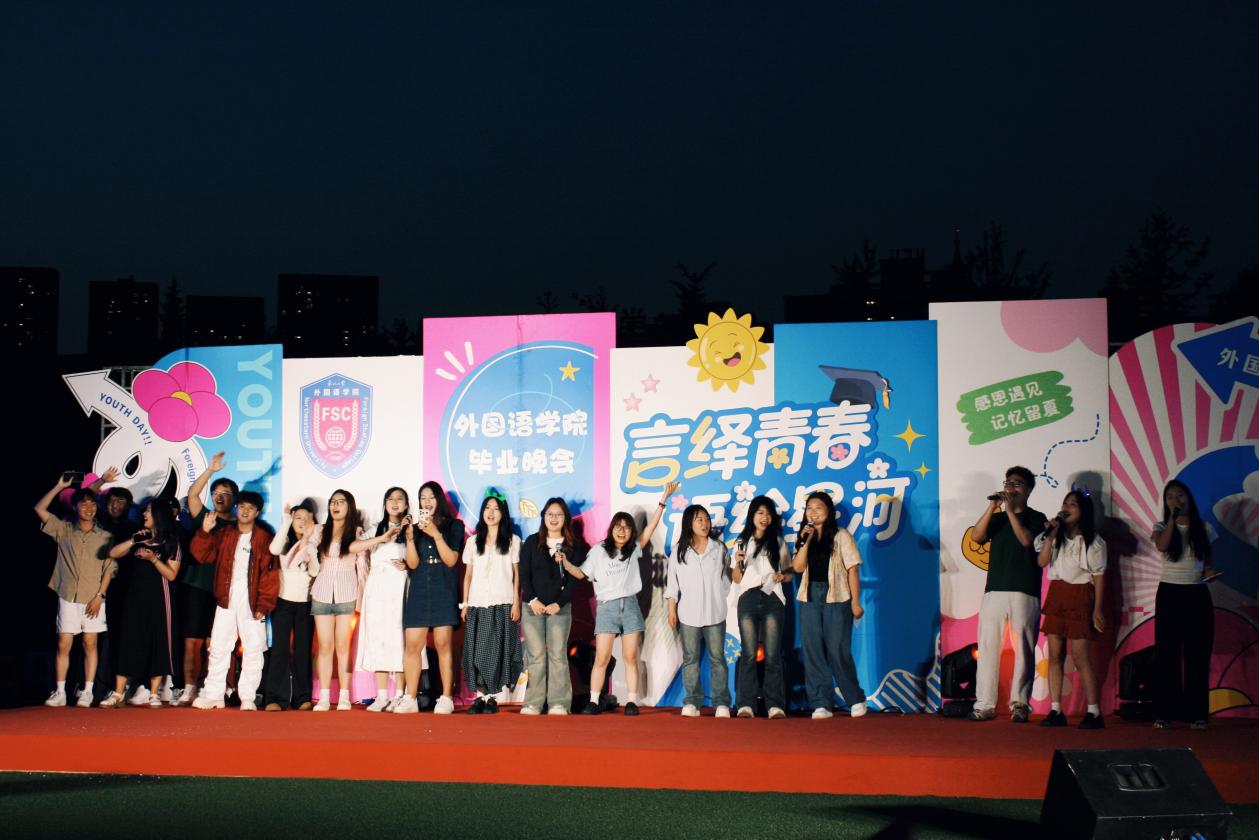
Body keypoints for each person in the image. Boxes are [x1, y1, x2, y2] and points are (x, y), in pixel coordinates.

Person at [570, 482, 677, 717]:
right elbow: (581, 573)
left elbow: (650, 529)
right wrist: (565, 563)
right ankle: (594, 700)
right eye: (618, 526)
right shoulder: (598, 551)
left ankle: (631, 701)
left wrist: (663, 500)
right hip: (607, 607)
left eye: (627, 527)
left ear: (631, 532)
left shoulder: (634, 549)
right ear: (611, 529)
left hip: (629, 605)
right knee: (601, 657)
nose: (622, 531)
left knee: (631, 657)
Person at [967, 466, 1047, 722]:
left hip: (1025, 590)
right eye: (1008, 482)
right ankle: (984, 704)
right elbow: (977, 537)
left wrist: (1010, 511)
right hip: (994, 590)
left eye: (1017, 483)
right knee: (988, 647)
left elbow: (1026, 541)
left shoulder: (1037, 517)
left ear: (1029, 490)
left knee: (1024, 647)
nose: (1010, 487)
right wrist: (993, 507)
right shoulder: (998, 517)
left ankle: (1020, 704)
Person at [189, 490, 279, 711]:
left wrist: (264, 604)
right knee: (218, 646)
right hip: (226, 598)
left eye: (251, 507)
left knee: (253, 647)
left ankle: (247, 696)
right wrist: (205, 532)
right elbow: (202, 555)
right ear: (236, 509)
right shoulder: (225, 534)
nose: (245, 511)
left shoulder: (263, 538)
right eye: (242, 506)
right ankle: (214, 695)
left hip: (252, 600)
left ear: (257, 512)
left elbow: (270, 575)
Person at [34, 476, 116, 708]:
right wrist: (60, 486)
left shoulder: (105, 536)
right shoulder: (64, 530)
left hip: (94, 597)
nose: (89, 508)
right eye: (84, 504)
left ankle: (87, 691)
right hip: (68, 594)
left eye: (92, 504)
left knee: (90, 643)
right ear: (75, 507)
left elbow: (109, 569)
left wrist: (100, 597)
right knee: (63, 643)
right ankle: (60, 692)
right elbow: (39, 509)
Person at [792, 491, 867, 720]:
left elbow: (853, 570)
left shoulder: (841, 535)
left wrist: (855, 602)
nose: (813, 512)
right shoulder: (804, 536)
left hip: (837, 595)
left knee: (837, 649)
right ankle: (821, 703)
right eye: (809, 508)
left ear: (828, 511)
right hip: (810, 597)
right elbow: (798, 567)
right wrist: (805, 541)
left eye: (818, 508)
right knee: (813, 650)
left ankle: (855, 698)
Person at [1036, 489, 1106, 729]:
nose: (1066, 508)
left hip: (1081, 595)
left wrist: (1097, 609)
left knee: (1080, 657)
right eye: (1065, 503)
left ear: (1083, 511)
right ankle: (1056, 709)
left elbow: (1099, 577)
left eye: (1073, 504)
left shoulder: (1093, 542)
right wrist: (1051, 534)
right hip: (1057, 595)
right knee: (1055, 655)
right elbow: (1041, 561)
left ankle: (1094, 712)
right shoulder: (1055, 535)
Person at [100, 500, 181, 708]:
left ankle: (154, 693)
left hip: (159, 599)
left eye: (149, 511)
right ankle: (118, 692)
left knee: (158, 642)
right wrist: (133, 540)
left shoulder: (171, 542)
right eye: (145, 511)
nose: (144, 514)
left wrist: (153, 559)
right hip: (134, 597)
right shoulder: (139, 537)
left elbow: (171, 575)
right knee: (128, 640)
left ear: (159, 515)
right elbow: (113, 553)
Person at [1151, 480, 1217, 730]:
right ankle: (1164, 713)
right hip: (1169, 593)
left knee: (1197, 655)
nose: (1175, 501)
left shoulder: (1205, 528)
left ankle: (1197, 714)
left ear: (1189, 498)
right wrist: (1172, 519)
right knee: (1167, 654)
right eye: (1170, 497)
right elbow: (1162, 545)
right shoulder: (1161, 527)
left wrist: (1209, 572)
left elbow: (1207, 562)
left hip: (1197, 593)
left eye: (1180, 496)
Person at [396, 481, 465, 715]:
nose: (427, 502)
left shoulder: (454, 526)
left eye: (431, 497)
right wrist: (409, 538)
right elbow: (413, 564)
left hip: (443, 586)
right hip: (419, 586)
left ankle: (446, 697)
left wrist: (435, 534)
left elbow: (451, 560)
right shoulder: (414, 528)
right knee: (412, 645)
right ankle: (410, 697)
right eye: (422, 498)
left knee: (443, 644)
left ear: (439, 500)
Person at [175, 452, 237, 706]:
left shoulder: (240, 525)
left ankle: (222, 687)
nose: (219, 496)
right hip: (197, 586)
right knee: (192, 640)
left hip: (225, 590)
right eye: (215, 492)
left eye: (225, 493)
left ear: (234, 499)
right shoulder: (206, 518)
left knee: (220, 643)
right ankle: (190, 688)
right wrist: (210, 470)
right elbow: (192, 495)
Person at [518, 497, 586, 715]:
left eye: (558, 514)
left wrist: (559, 603)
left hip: (560, 608)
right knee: (536, 655)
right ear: (543, 517)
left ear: (565, 518)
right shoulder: (531, 542)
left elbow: (574, 580)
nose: (554, 518)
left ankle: (559, 702)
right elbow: (524, 575)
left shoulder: (574, 547)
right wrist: (532, 600)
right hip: (532, 607)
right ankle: (533, 702)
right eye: (550, 514)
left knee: (557, 654)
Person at [665, 503, 732, 718]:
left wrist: (719, 595)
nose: (704, 523)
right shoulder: (679, 551)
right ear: (689, 524)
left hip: (715, 612)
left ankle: (721, 703)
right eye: (699, 520)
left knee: (717, 659)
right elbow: (672, 584)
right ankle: (692, 701)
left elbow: (726, 580)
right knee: (690, 659)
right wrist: (671, 609)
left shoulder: (719, 548)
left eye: (706, 519)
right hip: (688, 614)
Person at [460, 491, 522, 715]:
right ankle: (480, 697)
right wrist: (465, 603)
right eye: (487, 508)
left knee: (496, 653)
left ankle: (493, 698)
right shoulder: (472, 541)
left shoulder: (513, 541)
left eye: (496, 508)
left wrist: (516, 603)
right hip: (477, 603)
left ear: (503, 513)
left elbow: (517, 575)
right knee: (477, 652)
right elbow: (468, 575)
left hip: (502, 602)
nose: (491, 512)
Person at [731, 495, 792, 719]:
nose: (764, 517)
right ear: (752, 516)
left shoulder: (778, 543)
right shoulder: (741, 542)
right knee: (748, 653)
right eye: (760, 513)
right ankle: (745, 704)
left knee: (773, 654)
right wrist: (739, 561)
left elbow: (788, 573)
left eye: (768, 513)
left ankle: (775, 705)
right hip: (748, 598)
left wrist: (781, 576)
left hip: (773, 598)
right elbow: (736, 578)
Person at [352, 488, 409, 712]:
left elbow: (418, 557)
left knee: (399, 638)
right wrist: (381, 538)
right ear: (385, 504)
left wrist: (408, 565)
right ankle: (382, 695)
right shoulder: (376, 528)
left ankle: (401, 694)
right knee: (378, 638)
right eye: (390, 499)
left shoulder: (410, 529)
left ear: (406, 504)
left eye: (399, 499)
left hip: (400, 585)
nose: (394, 503)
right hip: (377, 587)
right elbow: (353, 546)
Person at [309, 489, 366, 712]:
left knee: (343, 646)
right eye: (333, 502)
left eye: (341, 502)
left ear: (349, 506)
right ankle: (324, 696)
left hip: (347, 593)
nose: (335, 506)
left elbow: (362, 567)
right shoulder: (319, 531)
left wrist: (362, 599)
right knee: (324, 646)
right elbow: (309, 552)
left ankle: (344, 695)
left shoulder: (356, 532)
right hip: (322, 593)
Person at [263, 501, 319, 711]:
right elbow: (274, 549)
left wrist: (309, 547)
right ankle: (274, 698)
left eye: (307, 518)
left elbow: (314, 571)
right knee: (280, 650)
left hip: (305, 605)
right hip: (283, 603)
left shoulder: (312, 545)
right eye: (298, 518)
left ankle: (302, 697)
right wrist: (286, 520)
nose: (303, 522)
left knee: (303, 651)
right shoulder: (285, 542)